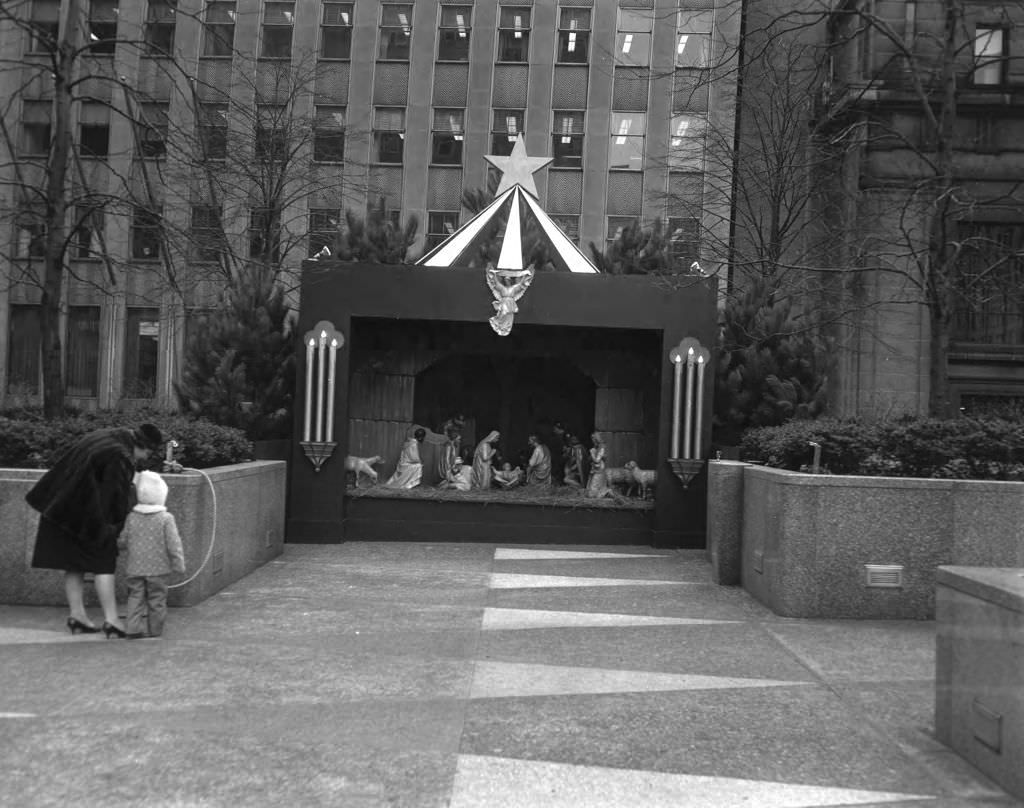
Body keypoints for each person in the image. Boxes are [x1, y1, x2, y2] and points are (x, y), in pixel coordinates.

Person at [25, 422, 164, 638]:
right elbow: (114, 500)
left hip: (60, 508)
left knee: (73, 563)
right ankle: (112, 620)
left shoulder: (106, 434)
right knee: (104, 563)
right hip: (85, 516)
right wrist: (116, 527)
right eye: (147, 454)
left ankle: (77, 616)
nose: (143, 460)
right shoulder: (121, 456)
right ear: (144, 447)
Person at [117, 470, 185, 639]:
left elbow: (123, 540)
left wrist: (118, 546)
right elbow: (173, 544)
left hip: (135, 569)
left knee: (135, 598)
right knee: (157, 600)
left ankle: (133, 628)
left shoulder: (132, 517)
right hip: (159, 570)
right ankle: (155, 631)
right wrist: (178, 563)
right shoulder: (166, 518)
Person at [585, 431, 613, 499]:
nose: (592, 440)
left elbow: (597, 460)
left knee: (592, 495)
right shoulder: (596, 448)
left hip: (599, 469)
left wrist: (592, 453)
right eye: (592, 439)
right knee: (590, 494)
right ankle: (603, 491)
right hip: (595, 469)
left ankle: (607, 491)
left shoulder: (601, 448)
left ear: (596, 439)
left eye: (593, 439)